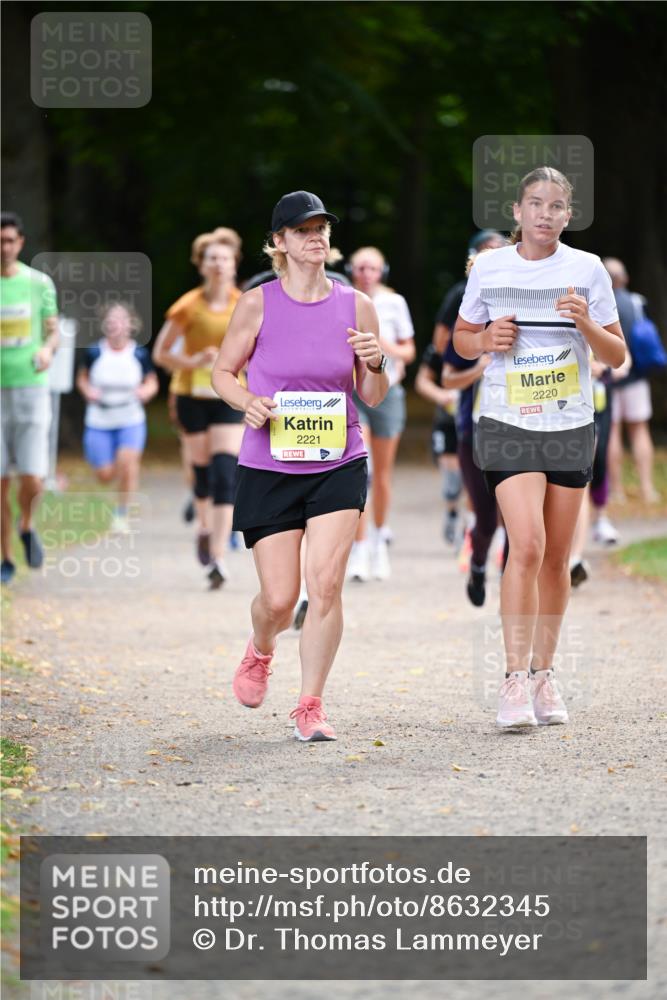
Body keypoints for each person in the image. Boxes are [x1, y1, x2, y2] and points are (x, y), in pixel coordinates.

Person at [212, 190, 388, 742]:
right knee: (281, 599)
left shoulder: (356, 304)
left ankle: (311, 705)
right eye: (303, 229)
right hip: (270, 463)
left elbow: (374, 396)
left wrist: (378, 361)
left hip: (339, 459)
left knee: (327, 584)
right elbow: (222, 372)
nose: (317, 237)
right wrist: (247, 402)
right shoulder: (257, 303)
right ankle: (261, 647)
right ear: (279, 243)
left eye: (322, 228)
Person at [454, 166, 625, 729]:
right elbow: (460, 338)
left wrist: (586, 326)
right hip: (507, 420)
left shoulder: (587, 270)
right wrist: (483, 340)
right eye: (535, 203)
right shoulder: (489, 266)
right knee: (524, 544)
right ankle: (512, 681)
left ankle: (544, 675)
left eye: (556, 206)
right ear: (518, 212)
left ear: (568, 216)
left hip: (569, 423)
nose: (545, 214)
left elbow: (616, 355)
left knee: (556, 556)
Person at [153, 227, 243, 589]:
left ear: (234, 263)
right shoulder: (188, 306)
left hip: (230, 396)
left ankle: (218, 557)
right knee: (203, 476)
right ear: (202, 265)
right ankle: (204, 527)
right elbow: (161, 353)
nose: (219, 265)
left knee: (225, 473)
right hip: (192, 396)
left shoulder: (246, 304)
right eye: (212, 259)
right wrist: (193, 360)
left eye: (224, 258)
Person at [417, 231, 505, 548]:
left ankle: (485, 536)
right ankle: (466, 524)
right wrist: (470, 354)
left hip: (512, 415)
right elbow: (442, 345)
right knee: (460, 477)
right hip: (465, 405)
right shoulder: (460, 296)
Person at [346, 246, 415, 581]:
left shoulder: (394, 302)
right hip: (355, 392)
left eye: (372, 268)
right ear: (351, 270)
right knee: (362, 469)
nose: (366, 274)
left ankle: (379, 538)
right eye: (360, 268)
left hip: (388, 390)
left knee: (384, 473)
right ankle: (358, 548)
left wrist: (381, 344)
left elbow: (409, 350)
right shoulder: (343, 299)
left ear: (382, 271)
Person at [1, 211, 59, 584]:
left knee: (32, 478)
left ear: (20, 243)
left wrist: (47, 351)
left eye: (10, 240)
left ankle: (27, 524)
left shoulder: (38, 284)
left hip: (31, 387)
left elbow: (53, 332)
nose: (4, 247)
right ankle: (5, 557)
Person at [76, 302, 158, 532]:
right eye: (111, 320)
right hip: (99, 419)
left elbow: (152, 381)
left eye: (120, 320)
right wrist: (87, 390)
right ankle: (109, 483)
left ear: (130, 325)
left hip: (130, 418)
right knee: (104, 475)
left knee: (128, 464)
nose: (115, 325)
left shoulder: (139, 353)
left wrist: (146, 391)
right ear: (104, 325)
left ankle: (121, 514)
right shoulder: (94, 352)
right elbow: (82, 378)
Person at [603, 257, 660, 504]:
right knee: (639, 430)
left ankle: (616, 492)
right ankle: (647, 488)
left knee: (612, 432)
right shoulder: (637, 302)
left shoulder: (599, 304)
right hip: (636, 376)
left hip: (608, 378)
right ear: (624, 278)